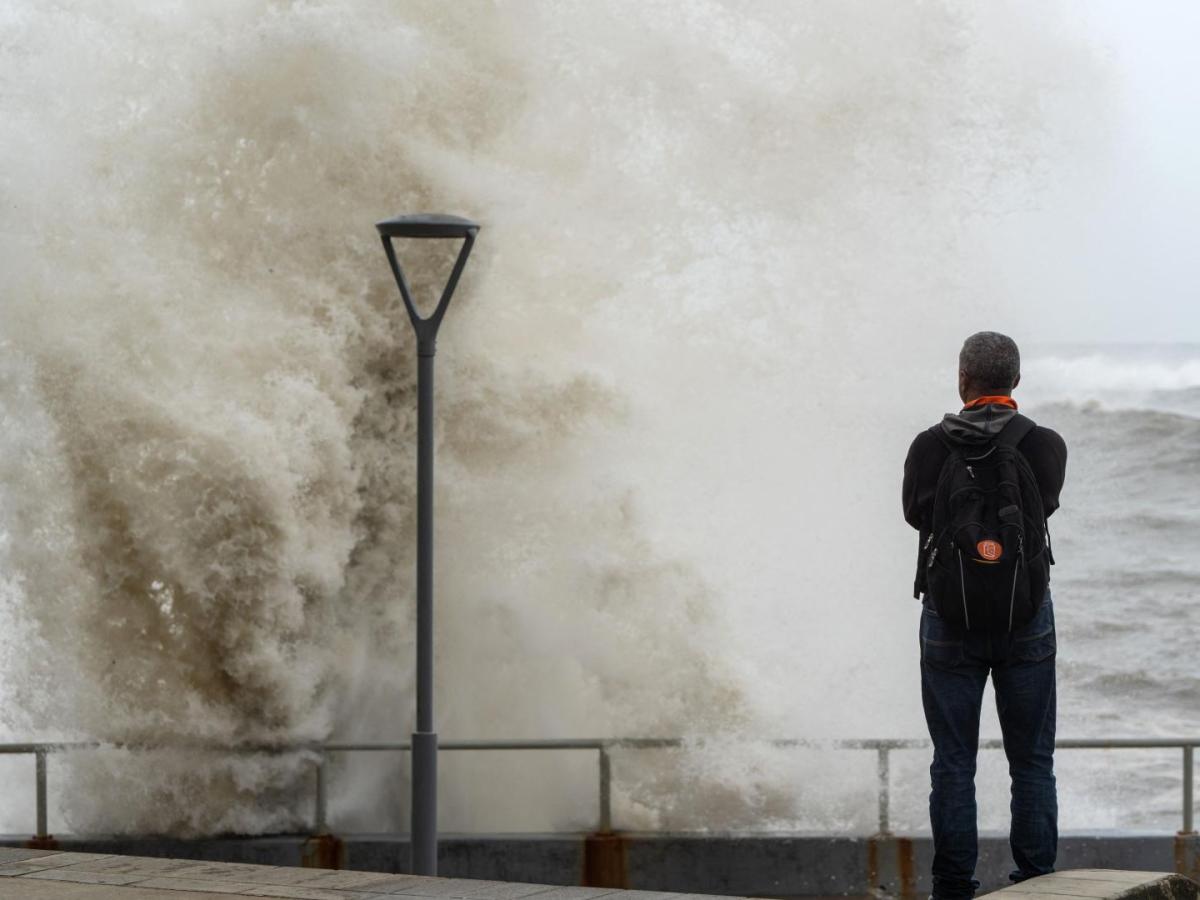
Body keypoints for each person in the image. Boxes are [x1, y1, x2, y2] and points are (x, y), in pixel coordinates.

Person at [902, 331, 1067, 900]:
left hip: (949, 619)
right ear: (1015, 381)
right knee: (1033, 763)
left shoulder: (929, 445)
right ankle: (1037, 885)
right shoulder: (1044, 443)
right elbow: (1043, 505)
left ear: (962, 378)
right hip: (1026, 618)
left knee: (952, 762)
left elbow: (914, 514)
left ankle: (953, 889)